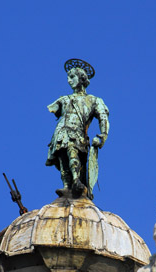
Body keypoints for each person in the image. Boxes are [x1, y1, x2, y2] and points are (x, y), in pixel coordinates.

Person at [46, 65, 109, 197]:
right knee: (62, 157)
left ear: (82, 78)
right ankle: (67, 186)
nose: (69, 81)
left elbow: (103, 117)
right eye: (68, 78)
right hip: (61, 131)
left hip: (77, 132)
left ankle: (76, 180)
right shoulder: (63, 100)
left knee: (72, 153)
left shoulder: (94, 100)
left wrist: (102, 136)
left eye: (72, 77)